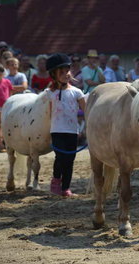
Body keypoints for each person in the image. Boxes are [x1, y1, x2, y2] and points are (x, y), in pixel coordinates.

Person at [45, 53, 86, 197]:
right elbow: (45, 113)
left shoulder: (77, 92)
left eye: (67, 71)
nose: (65, 74)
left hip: (72, 131)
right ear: (54, 75)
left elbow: (86, 111)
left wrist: (87, 127)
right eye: (61, 72)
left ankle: (66, 188)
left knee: (70, 160)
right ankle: (56, 180)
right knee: (60, 157)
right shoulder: (49, 93)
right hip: (57, 130)